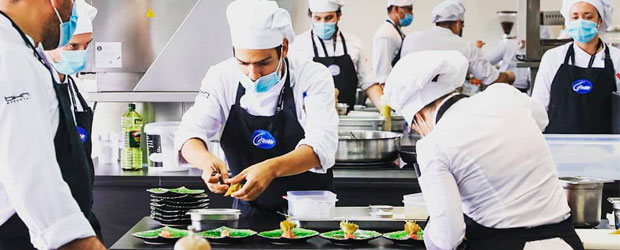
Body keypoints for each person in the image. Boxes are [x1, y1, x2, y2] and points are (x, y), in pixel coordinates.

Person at [384, 50, 583, 250]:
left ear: (418, 117)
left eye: (416, 128)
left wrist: (429, 237)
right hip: (565, 241)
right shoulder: (503, 94)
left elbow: (447, 238)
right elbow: (541, 119)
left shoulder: (433, 145)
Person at [174, 0, 338, 227]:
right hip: (248, 213)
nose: (253, 74)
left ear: (284, 48)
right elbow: (190, 132)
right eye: (243, 62)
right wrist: (206, 161)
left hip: (309, 212)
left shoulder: (312, 76)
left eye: (264, 63)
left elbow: (322, 145)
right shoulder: (222, 76)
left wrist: (270, 169)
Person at [0, 0, 106, 249]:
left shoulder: (22, 49)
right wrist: (81, 242)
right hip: (20, 236)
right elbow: (32, 176)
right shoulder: (9, 56)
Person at [532, 0, 619, 134]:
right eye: (575, 17)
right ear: (568, 21)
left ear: (600, 21)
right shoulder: (553, 57)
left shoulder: (616, 58)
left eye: (588, 17)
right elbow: (538, 108)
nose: (581, 22)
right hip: (558, 147)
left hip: (605, 148)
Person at [289, 0, 383, 109]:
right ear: (310, 16)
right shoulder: (298, 45)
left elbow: (368, 81)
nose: (323, 23)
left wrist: (384, 108)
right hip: (311, 116)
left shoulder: (354, 44)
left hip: (347, 115)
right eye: (317, 18)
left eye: (329, 18)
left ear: (338, 16)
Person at [400, 0, 515, 86]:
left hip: (412, 111)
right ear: (458, 24)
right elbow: (493, 78)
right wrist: (510, 76)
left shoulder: (410, 40)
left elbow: (402, 73)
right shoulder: (466, 47)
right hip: (446, 110)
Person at [372, 0, 414, 86]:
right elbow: (382, 74)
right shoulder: (386, 34)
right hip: (390, 89)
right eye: (409, 9)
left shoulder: (395, 31)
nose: (411, 14)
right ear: (395, 9)